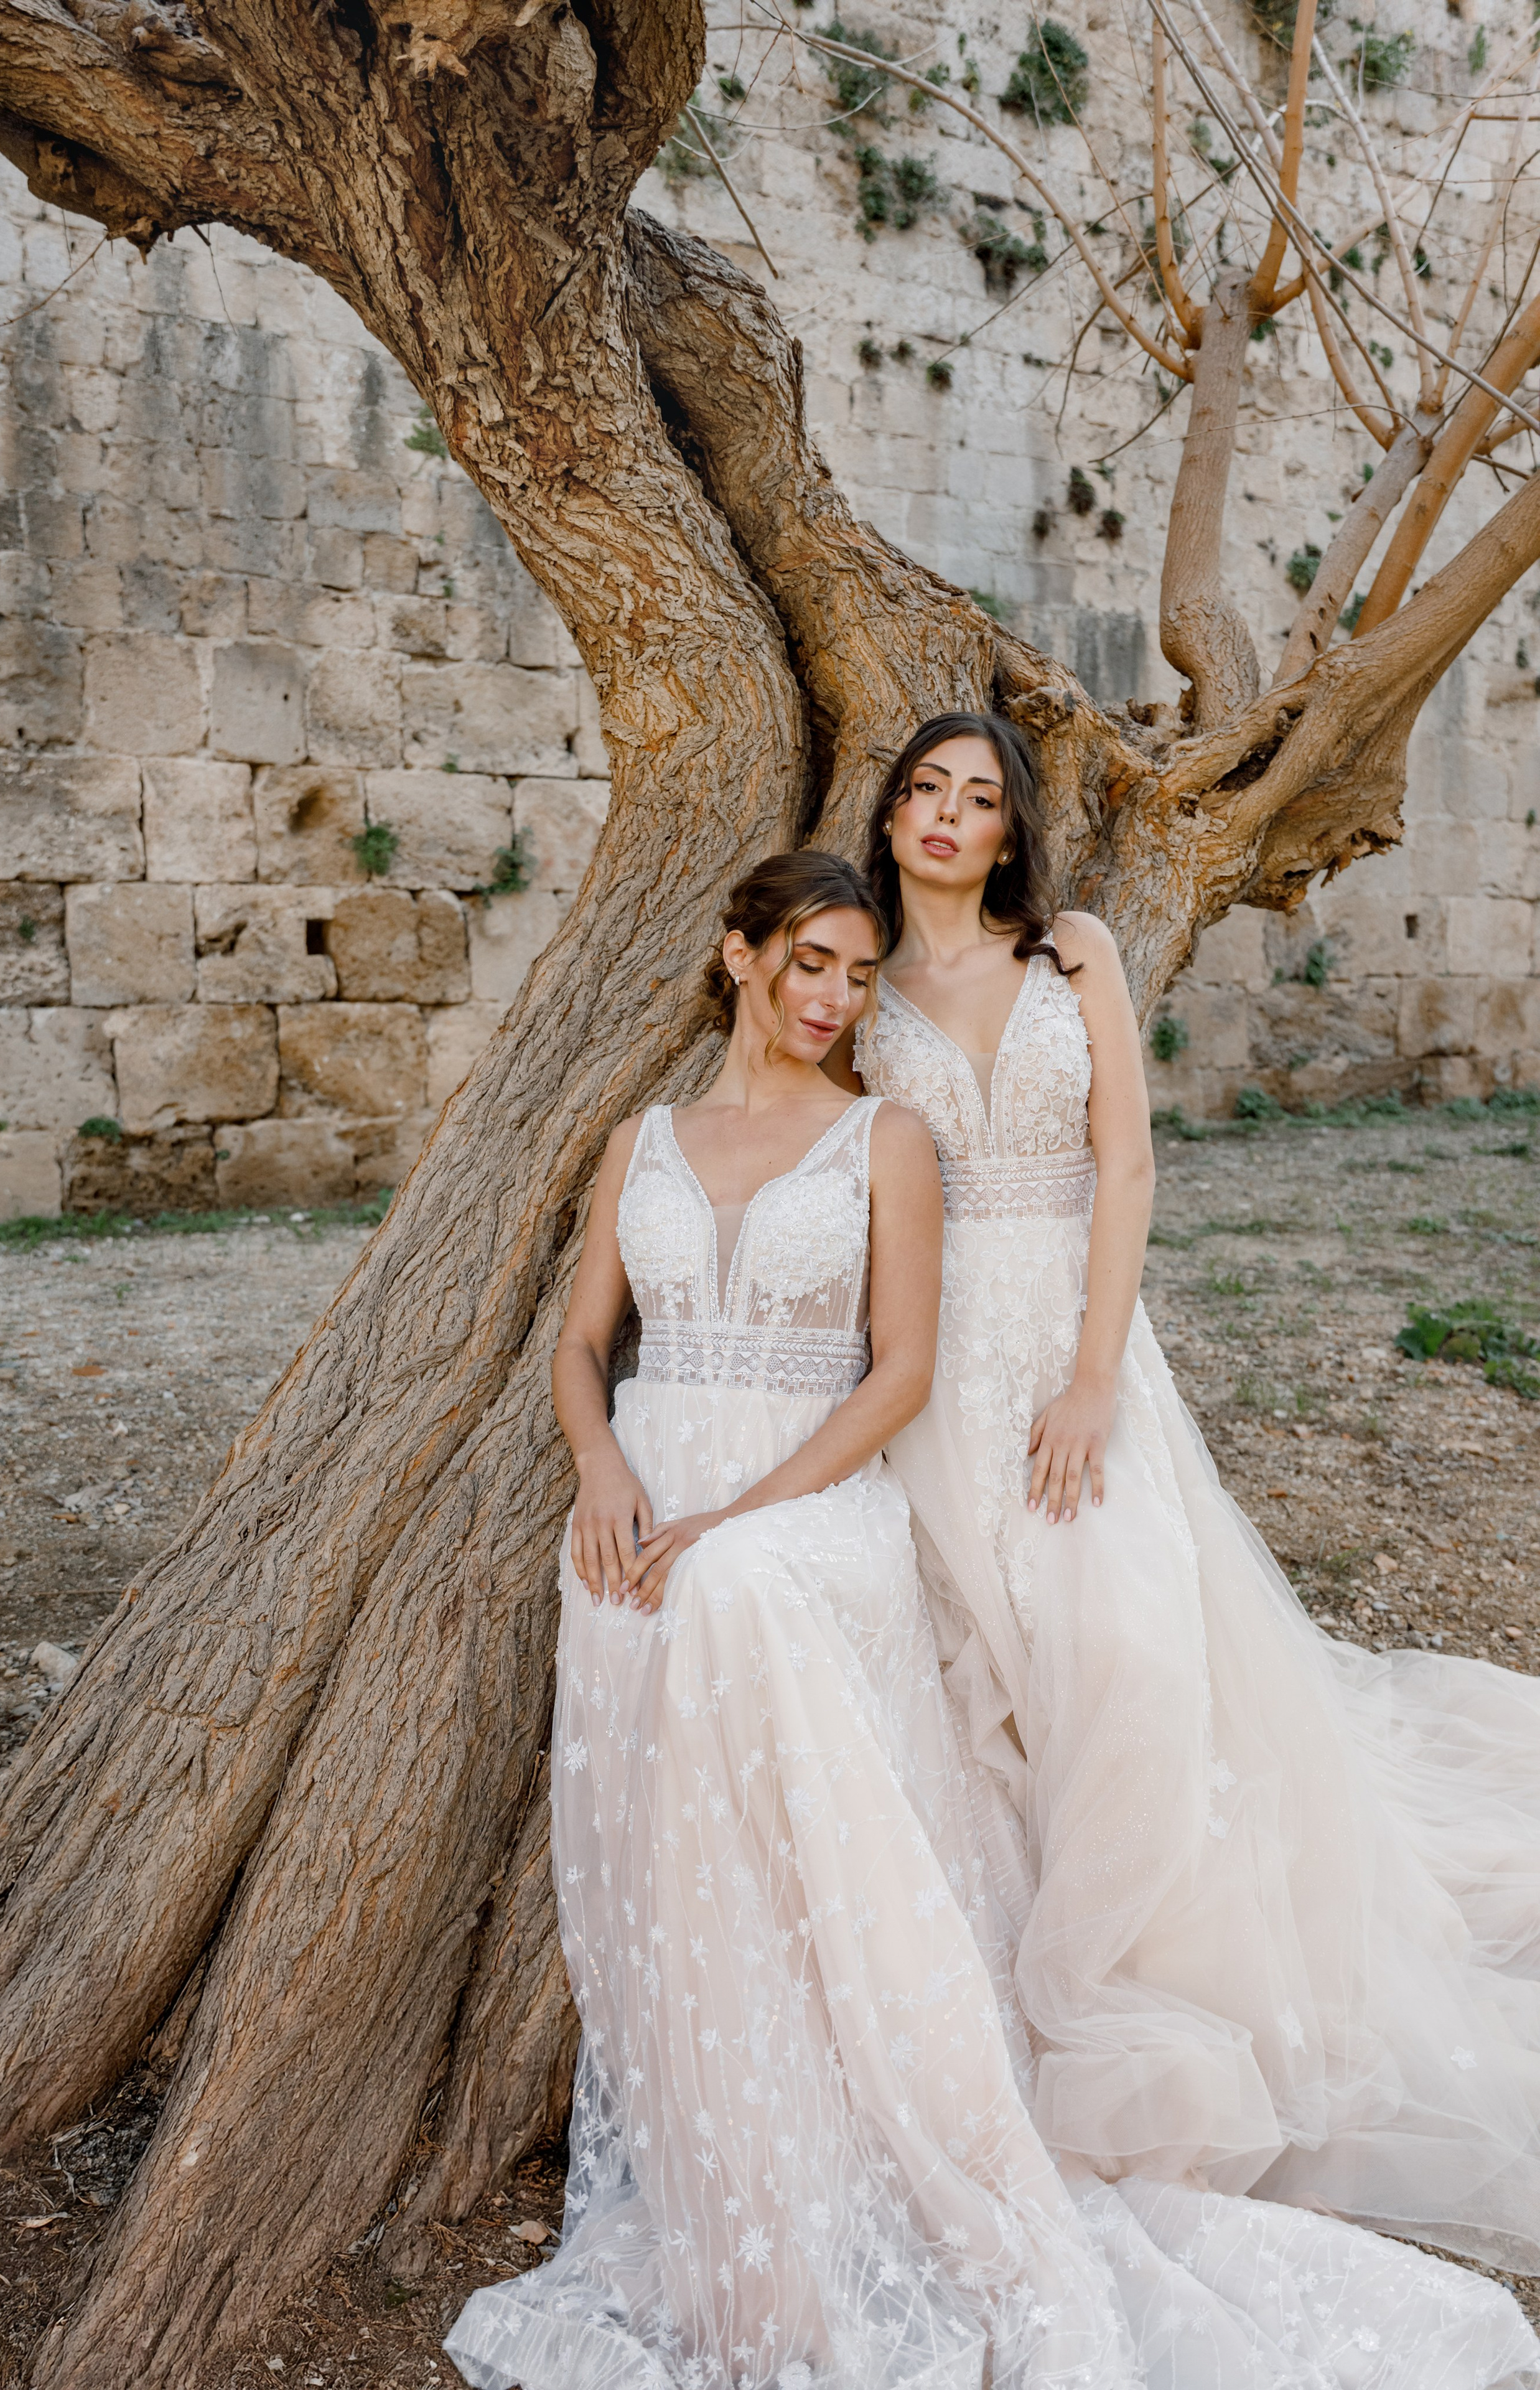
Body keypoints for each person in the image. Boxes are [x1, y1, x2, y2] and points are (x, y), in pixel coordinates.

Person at [446, 850, 1538, 2390]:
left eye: (848, 971)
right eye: (805, 964)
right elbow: (578, 1344)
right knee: (665, 1845)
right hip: (637, 1521)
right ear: (736, 955)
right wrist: (604, 1467)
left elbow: (897, 1377)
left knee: (751, 1617)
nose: (830, 997)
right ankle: (722, 2167)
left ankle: (872, 2143)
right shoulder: (643, 1142)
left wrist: (733, 1520)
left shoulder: (881, 1136)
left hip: (793, 1509)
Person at [837, 708, 1540, 2276]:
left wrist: (1091, 1379)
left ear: (1010, 833)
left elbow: (1127, 1168)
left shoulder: (1069, 953)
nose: (947, 818)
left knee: (1137, 1653)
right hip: (934, 1371)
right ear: (886, 822)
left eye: (975, 799)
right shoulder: (856, 993)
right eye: (922, 795)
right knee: (992, 1677)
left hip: (1075, 1357)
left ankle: (1172, 1966)